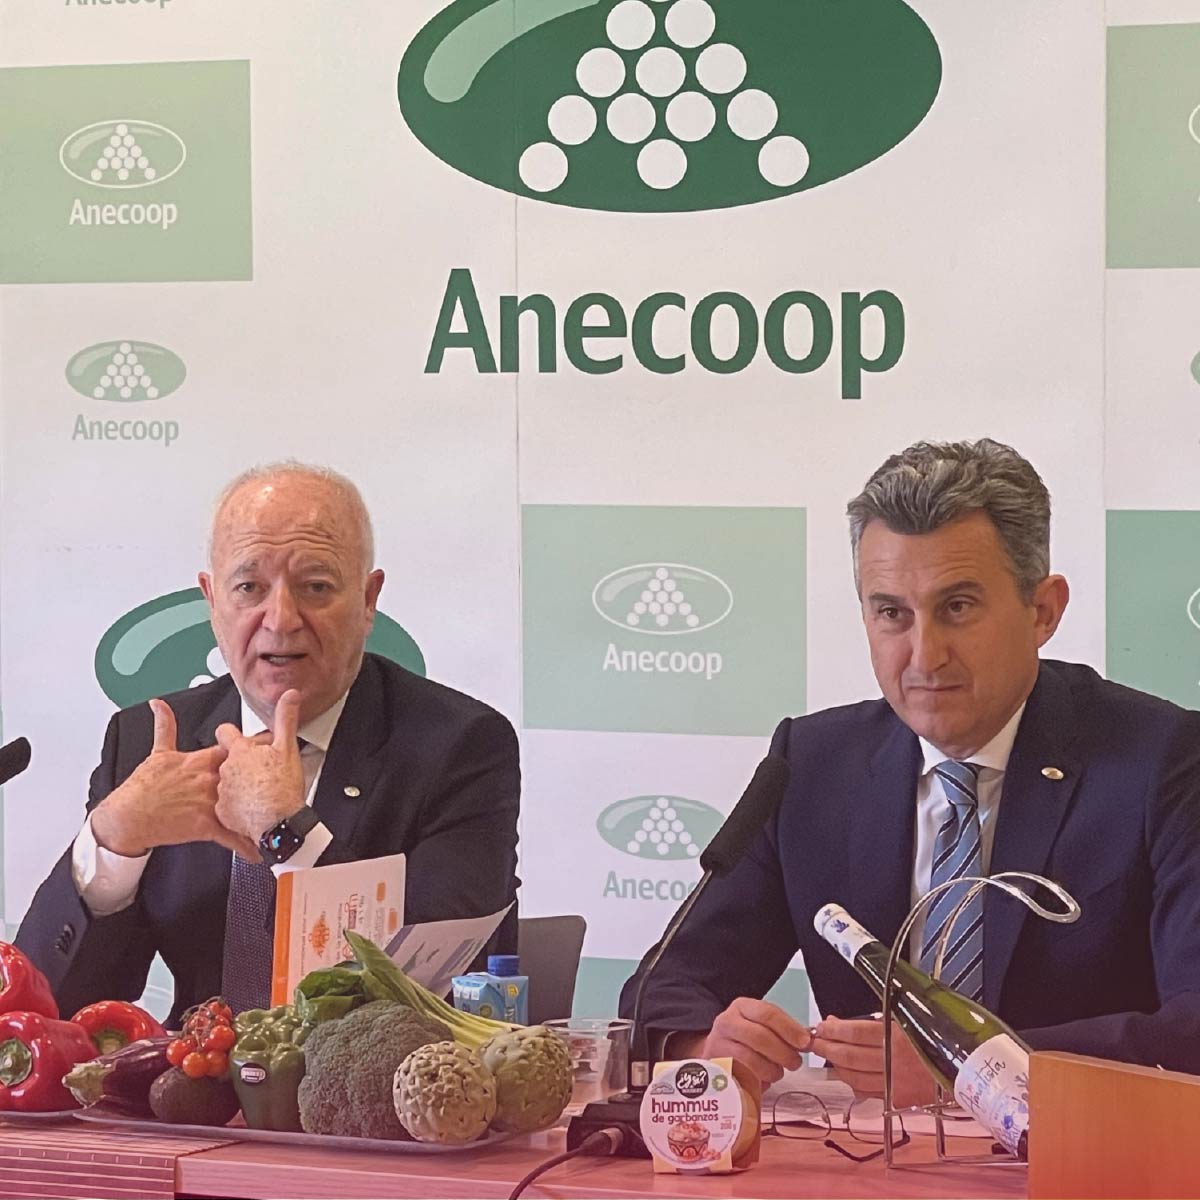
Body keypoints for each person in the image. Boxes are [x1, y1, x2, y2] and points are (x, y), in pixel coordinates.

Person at [620, 438, 1200, 1101]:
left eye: (958, 607)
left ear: (1043, 611)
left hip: (1087, 1147)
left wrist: (969, 1064)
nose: (924, 656)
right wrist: (704, 1047)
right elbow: (663, 990)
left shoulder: (1163, 761)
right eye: (892, 612)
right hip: (866, 1153)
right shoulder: (812, 764)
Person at [17, 463, 520, 1024]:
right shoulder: (151, 742)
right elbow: (46, 1009)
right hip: (195, 1070)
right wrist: (112, 843)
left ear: (368, 599)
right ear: (212, 600)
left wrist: (288, 831)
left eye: (316, 587)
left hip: (374, 1074)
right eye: (249, 588)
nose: (280, 620)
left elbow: (434, 986)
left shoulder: (460, 745)